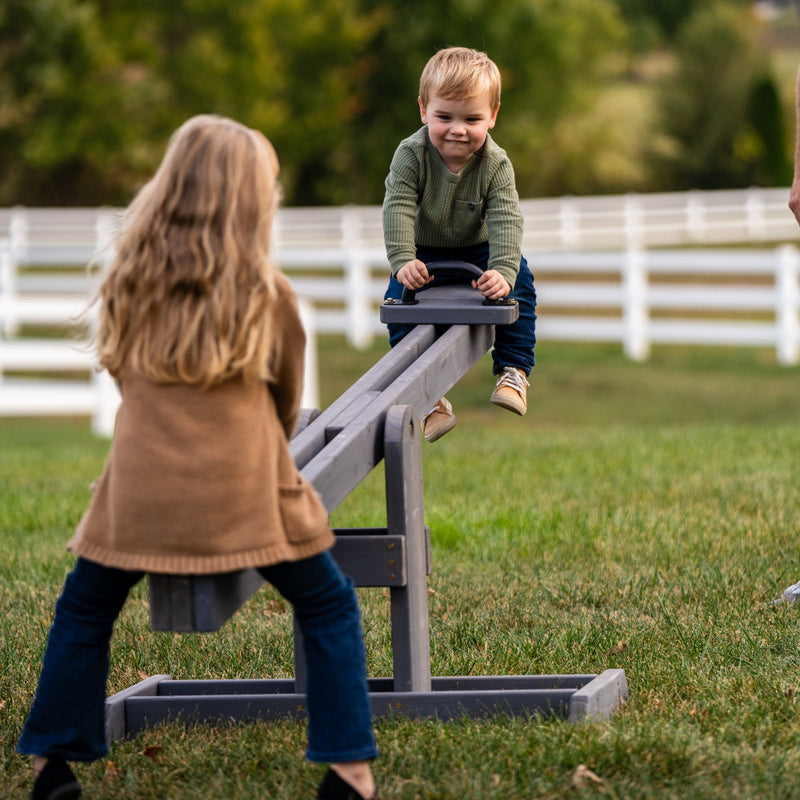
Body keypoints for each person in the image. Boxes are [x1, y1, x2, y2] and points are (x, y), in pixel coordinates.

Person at [17, 115, 378, 800]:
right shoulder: (268, 295)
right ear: (250, 202)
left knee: (85, 611)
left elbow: (123, 375)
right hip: (243, 494)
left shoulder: (129, 281)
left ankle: (52, 767)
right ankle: (348, 771)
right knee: (327, 603)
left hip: (139, 498)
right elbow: (284, 398)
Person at [382, 46, 537, 442]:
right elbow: (397, 205)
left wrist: (502, 269)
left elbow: (506, 217)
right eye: (444, 116)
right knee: (400, 301)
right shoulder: (410, 154)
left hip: (478, 248)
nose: (457, 129)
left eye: (472, 118)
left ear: (493, 116)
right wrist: (404, 259)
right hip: (426, 249)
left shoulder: (496, 163)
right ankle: (427, 397)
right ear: (423, 110)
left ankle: (513, 371)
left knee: (521, 280)